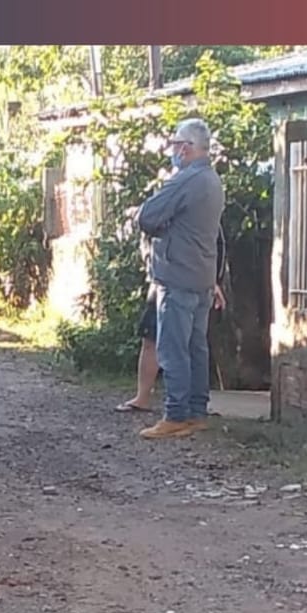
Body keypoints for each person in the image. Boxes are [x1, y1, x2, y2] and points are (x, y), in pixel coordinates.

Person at [133, 117, 224, 439]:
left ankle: (175, 414)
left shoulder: (186, 180)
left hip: (178, 275)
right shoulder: (212, 180)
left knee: (173, 349)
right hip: (201, 276)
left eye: (175, 144)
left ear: (186, 149)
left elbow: (148, 216)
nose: (173, 150)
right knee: (196, 347)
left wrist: (163, 228)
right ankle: (197, 411)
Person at [116, 227, 228, 416]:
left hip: (194, 283)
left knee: (192, 342)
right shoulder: (165, 207)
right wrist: (153, 271)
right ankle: (143, 397)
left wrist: (214, 280)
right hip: (164, 281)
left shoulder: (203, 211)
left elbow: (217, 245)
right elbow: (148, 238)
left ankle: (189, 405)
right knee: (151, 337)